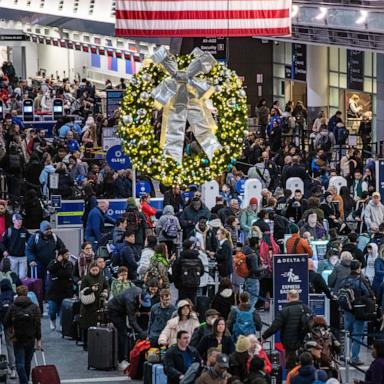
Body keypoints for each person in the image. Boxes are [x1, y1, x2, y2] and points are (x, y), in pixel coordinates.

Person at [262, 289, 312, 370]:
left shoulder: (284, 311)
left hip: (290, 346)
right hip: (305, 344)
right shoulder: (306, 309)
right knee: (305, 367)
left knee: (291, 368)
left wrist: (263, 337)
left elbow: (274, 327)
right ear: (298, 297)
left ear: (288, 297)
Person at [4, 285, 41, 384]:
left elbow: (6, 321)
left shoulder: (13, 306)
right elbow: (38, 324)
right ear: (27, 293)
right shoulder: (34, 307)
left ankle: (24, 382)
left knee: (19, 363)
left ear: (17, 294)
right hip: (31, 338)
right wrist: (39, 339)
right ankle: (25, 380)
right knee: (27, 362)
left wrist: (11, 328)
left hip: (17, 338)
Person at [340, 260, 374, 365]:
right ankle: (354, 358)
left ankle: (345, 356)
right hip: (358, 311)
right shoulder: (360, 280)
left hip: (347, 311)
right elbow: (368, 293)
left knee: (347, 334)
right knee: (357, 335)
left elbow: (339, 292)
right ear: (358, 268)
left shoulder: (345, 280)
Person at [107, 286, 147, 370]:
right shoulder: (131, 300)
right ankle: (121, 360)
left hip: (120, 308)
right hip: (114, 310)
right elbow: (132, 320)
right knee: (123, 333)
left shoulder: (138, 291)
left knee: (125, 333)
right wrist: (141, 332)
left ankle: (124, 357)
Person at [26, 221, 65, 294]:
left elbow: (62, 247)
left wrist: (61, 256)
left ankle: (49, 297)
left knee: (51, 282)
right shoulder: (35, 237)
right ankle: (41, 298)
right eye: (47, 229)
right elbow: (29, 250)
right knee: (40, 283)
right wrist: (31, 260)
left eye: (50, 229)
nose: (49, 231)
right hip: (38, 265)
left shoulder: (54, 236)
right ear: (42, 230)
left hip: (52, 264)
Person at [79, 262, 109, 351]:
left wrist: (106, 291)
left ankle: (95, 343)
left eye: (96, 270)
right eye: (93, 270)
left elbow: (106, 286)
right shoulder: (86, 278)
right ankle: (86, 344)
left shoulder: (102, 277)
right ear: (90, 270)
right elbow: (82, 291)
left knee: (96, 324)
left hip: (98, 304)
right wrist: (91, 289)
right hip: (88, 305)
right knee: (86, 326)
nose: (95, 271)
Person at [46, 248, 73, 331]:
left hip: (65, 291)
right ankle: (52, 320)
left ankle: (62, 324)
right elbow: (50, 269)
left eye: (68, 254)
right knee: (52, 310)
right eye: (66, 255)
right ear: (60, 255)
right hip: (53, 291)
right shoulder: (53, 262)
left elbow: (67, 274)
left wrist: (57, 274)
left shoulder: (69, 264)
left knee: (63, 311)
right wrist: (58, 262)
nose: (67, 256)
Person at [172, 240, 204, 304]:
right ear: (191, 247)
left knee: (182, 303)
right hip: (194, 284)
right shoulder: (198, 259)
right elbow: (202, 272)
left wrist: (177, 284)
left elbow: (175, 273)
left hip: (182, 285)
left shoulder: (180, 259)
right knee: (192, 302)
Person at [1, 213, 30, 279]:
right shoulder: (9, 231)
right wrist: (4, 251)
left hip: (23, 257)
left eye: (21, 219)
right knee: (14, 276)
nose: (20, 221)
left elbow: (30, 240)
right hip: (12, 257)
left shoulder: (24, 230)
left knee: (23, 277)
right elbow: (2, 242)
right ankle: (14, 289)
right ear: (13, 221)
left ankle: (22, 289)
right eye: (18, 219)